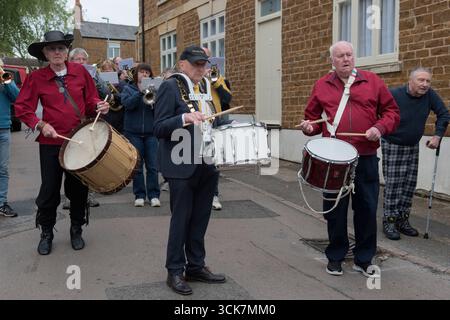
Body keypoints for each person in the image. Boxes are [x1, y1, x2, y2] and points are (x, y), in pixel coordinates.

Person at [298, 41, 400, 277]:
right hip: (334, 158)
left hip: (365, 156)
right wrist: (308, 127)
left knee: (366, 208)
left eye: (349, 55)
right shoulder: (322, 85)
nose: (346, 59)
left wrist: (380, 128)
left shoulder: (372, 81)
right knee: (335, 210)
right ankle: (335, 256)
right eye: (340, 56)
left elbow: (391, 112)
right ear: (332, 61)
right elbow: (312, 119)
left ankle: (364, 259)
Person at [14, 30, 110, 255]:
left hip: (79, 139)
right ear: (45, 53)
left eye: (60, 48)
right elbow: (22, 108)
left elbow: (91, 100)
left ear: (66, 51)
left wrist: (99, 105)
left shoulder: (80, 72)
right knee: (49, 190)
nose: (57, 52)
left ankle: (76, 229)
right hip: (51, 143)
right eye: (51, 49)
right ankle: (46, 232)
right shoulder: (37, 77)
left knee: (78, 189)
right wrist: (40, 124)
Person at [154, 45, 227, 295]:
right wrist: (185, 119)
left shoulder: (205, 87)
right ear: (182, 63)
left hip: (206, 160)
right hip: (180, 162)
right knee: (181, 220)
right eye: (196, 64)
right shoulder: (170, 86)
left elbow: (213, 118)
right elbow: (159, 127)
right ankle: (174, 270)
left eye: (204, 64)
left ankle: (195, 266)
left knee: (200, 218)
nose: (201, 68)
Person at [381, 67, 450, 240]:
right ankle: (389, 221)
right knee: (394, 186)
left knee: (409, 185)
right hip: (393, 143)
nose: (425, 84)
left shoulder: (429, 95)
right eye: (421, 80)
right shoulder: (394, 94)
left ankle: (402, 220)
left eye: (428, 81)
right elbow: (377, 113)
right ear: (410, 81)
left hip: (413, 145)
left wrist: (437, 135)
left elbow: (443, 114)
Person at [121, 63, 161, 208]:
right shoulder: (128, 89)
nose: (144, 75)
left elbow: (160, 109)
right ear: (136, 74)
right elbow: (127, 104)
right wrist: (140, 93)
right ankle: (139, 195)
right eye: (142, 72)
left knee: (152, 166)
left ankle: (154, 195)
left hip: (151, 133)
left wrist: (155, 97)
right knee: (137, 166)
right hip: (133, 132)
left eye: (147, 73)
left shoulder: (155, 89)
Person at [202, 47, 233, 210]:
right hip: (200, 121)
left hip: (216, 120)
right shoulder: (193, 78)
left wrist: (216, 81)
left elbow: (228, 98)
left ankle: (213, 195)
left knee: (214, 161)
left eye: (208, 58)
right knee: (199, 160)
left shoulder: (218, 77)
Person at [0, 58, 20, 218]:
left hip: (3, 129)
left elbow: (18, 98)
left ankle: (1, 203)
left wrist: (5, 78)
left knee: (3, 169)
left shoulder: (5, 82)